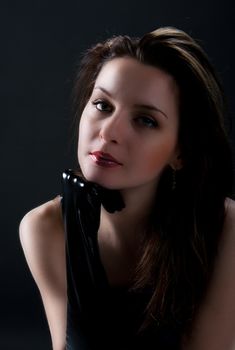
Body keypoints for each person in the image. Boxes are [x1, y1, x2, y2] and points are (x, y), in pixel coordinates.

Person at [19, 26, 235, 350]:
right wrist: (82, 262)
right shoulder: (44, 229)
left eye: (145, 120)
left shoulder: (226, 231)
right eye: (102, 105)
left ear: (180, 152)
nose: (109, 133)